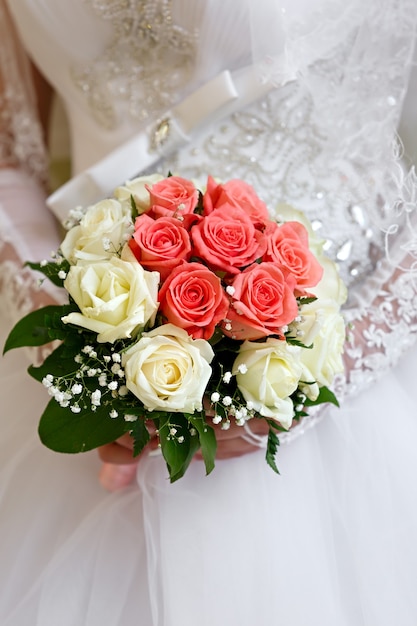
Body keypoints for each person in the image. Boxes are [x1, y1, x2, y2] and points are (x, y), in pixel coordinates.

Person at [1, 0, 417, 624]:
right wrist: (69, 345)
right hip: (92, 377)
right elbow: (9, 152)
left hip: (349, 389)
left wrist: (317, 372)